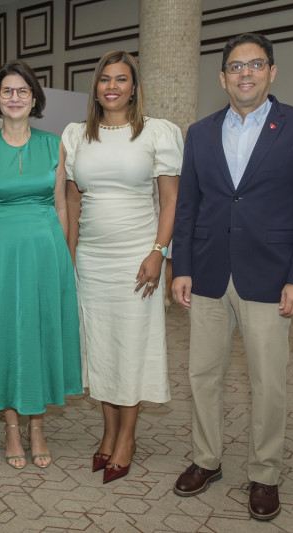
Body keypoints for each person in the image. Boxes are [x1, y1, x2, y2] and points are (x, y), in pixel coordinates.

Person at [171, 33, 293, 520]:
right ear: (222, 78)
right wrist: (183, 267)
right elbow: (189, 207)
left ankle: (264, 473)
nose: (245, 74)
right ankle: (206, 459)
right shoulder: (199, 132)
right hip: (209, 273)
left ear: (272, 71)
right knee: (203, 375)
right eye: (236, 67)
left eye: (255, 64)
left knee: (268, 381)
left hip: (271, 275)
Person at [63, 51, 183, 484]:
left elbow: (170, 201)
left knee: (131, 347)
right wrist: (70, 258)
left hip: (138, 257)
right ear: (95, 87)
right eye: (104, 80)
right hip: (92, 260)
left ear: (134, 87)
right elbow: (74, 203)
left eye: (121, 79)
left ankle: (127, 438)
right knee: (100, 347)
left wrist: (158, 253)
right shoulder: (77, 135)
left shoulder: (157, 132)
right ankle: (108, 431)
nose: (112, 86)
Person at [0, 60, 82, 470]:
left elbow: (61, 207)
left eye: (23, 91)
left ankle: (38, 425)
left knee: (39, 336)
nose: (15, 98)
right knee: (6, 337)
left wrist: (65, 261)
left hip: (46, 257)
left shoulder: (55, 145)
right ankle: (12, 427)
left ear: (34, 98)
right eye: (7, 91)